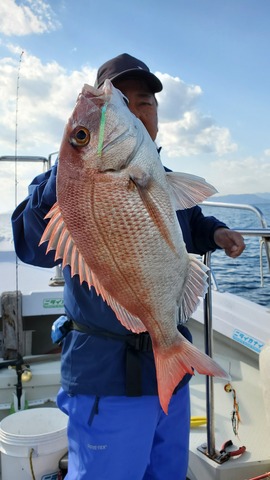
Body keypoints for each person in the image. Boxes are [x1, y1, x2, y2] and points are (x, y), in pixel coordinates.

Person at [12, 53, 245, 480]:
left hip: (170, 377)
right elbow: (31, 246)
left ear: (156, 116)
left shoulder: (159, 178)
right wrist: (67, 174)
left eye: (145, 103)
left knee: (168, 473)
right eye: (124, 100)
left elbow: (188, 223)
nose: (136, 110)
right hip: (106, 379)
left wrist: (216, 233)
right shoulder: (63, 185)